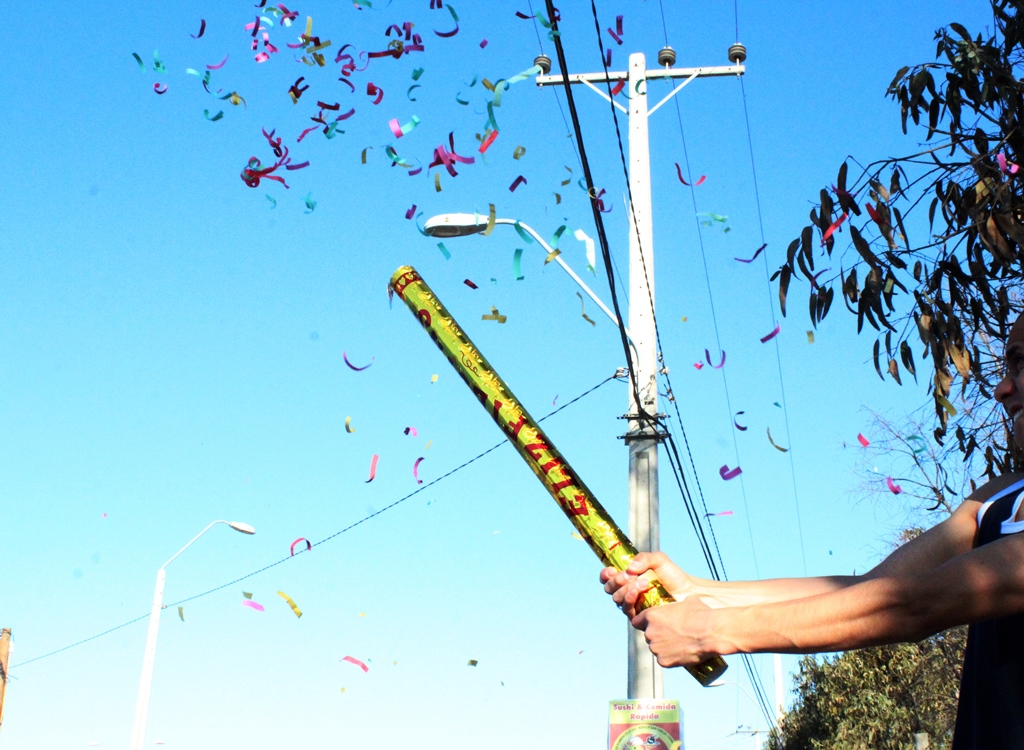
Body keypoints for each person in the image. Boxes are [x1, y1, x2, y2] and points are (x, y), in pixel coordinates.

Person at [601, 314, 1024, 749]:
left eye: (1020, 363)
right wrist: (698, 592)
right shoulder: (996, 497)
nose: (1002, 388)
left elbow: (918, 604)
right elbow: (873, 589)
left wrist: (713, 629)